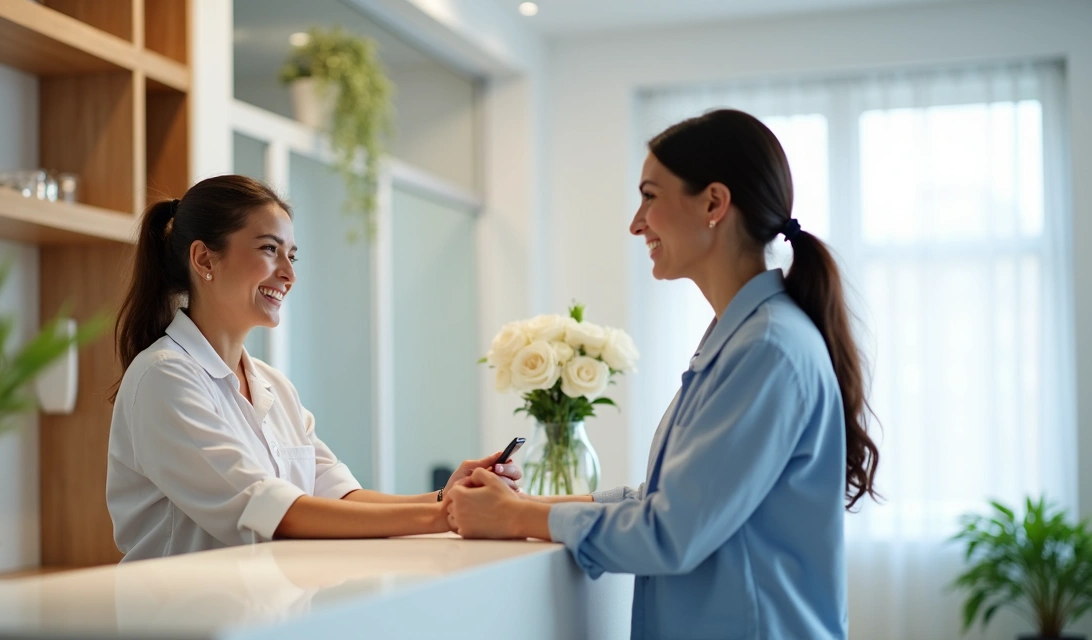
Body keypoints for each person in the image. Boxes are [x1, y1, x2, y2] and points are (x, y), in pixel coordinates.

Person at [444, 109, 880, 639]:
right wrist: (520, 505)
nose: (636, 222)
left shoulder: (767, 348)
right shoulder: (743, 337)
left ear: (714, 204)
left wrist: (515, 519)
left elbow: (671, 531)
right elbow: (664, 500)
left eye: (650, 196)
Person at [106, 175, 520, 562]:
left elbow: (338, 498)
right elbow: (274, 514)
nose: (288, 274)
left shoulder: (273, 386)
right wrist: (448, 516)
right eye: (269, 249)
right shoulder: (164, 377)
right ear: (203, 259)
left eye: (291, 255)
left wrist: (446, 497)